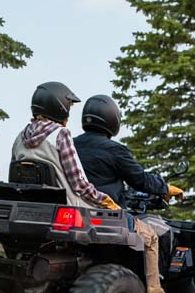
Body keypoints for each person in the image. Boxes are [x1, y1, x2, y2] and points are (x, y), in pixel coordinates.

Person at [74, 94, 184, 293]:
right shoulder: (114, 149)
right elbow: (140, 179)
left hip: (77, 212)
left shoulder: (71, 145)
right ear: (111, 119)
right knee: (151, 237)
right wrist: (166, 188)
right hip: (108, 215)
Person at [11, 82, 119, 211]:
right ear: (59, 108)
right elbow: (79, 184)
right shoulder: (60, 134)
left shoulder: (20, 138)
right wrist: (105, 200)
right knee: (128, 219)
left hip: (30, 206)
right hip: (69, 207)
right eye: (68, 107)